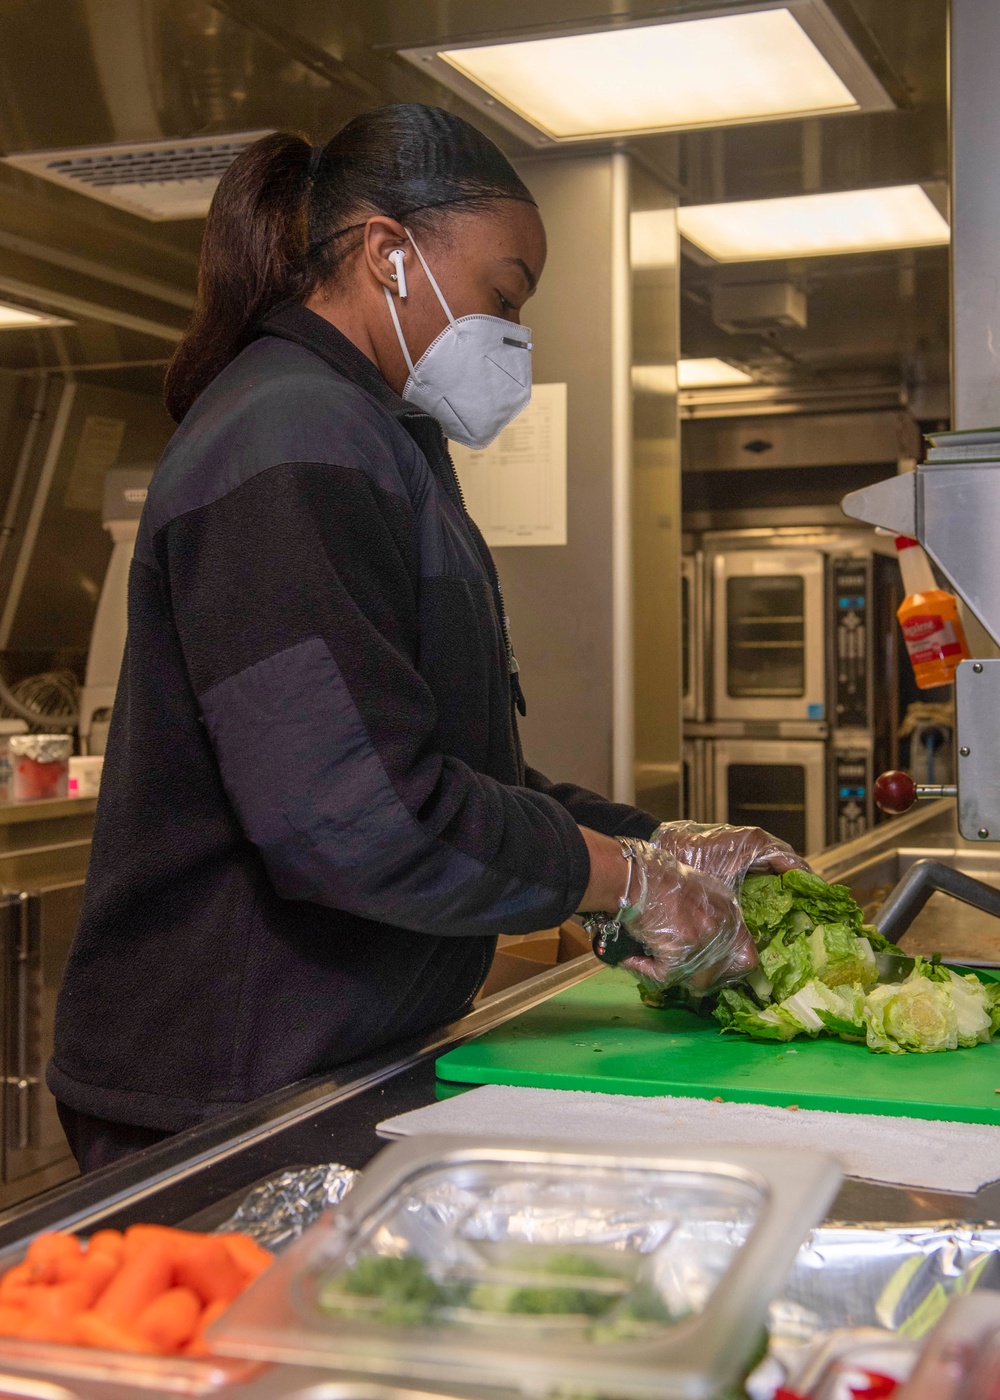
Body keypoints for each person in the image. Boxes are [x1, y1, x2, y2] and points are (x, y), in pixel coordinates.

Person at [48, 104, 803, 1174]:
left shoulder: (373, 435)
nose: (511, 333)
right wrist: (621, 880)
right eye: (503, 293)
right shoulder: (289, 434)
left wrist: (660, 840)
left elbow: (441, 760)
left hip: (322, 1056)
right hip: (225, 1087)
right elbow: (354, 814)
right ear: (387, 252)